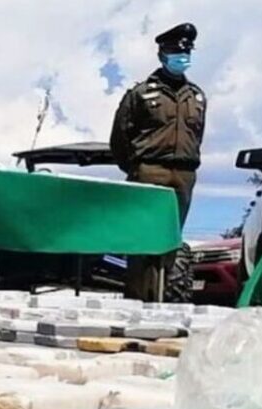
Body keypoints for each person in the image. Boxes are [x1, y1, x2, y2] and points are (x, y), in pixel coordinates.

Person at [110, 23, 206, 301]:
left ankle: (165, 302)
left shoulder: (197, 96)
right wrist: (137, 168)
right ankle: (138, 301)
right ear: (162, 54)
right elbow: (119, 139)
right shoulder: (141, 93)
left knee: (171, 241)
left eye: (186, 52)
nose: (182, 57)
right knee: (143, 241)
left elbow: (197, 136)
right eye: (176, 52)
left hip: (185, 174)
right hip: (149, 170)